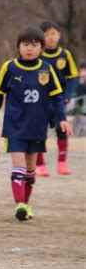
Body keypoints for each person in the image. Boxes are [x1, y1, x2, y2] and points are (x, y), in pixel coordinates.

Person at [0, 26, 72, 222]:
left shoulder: (46, 69)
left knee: (30, 167)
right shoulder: (9, 67)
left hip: (37, 126)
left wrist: (62, 119)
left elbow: (57, 96)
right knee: (18, 164)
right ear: (19, 47)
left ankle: (26, 203)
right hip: (14, 126)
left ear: (41, 49)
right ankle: (19, 204)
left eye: (34, 45)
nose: (29, 49)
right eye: (25, 44)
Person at [35, 21, 78, 176]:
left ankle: (62, 163)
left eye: (53, 34)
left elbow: (73, 77)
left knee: (62, 128)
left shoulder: (65, 55)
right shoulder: (37, 55)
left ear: (59, 35)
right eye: (46, 34)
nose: (50, 38)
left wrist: (66, 96)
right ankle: (39, 164)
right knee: (39, 131)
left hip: (58, 100)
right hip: (40, 101)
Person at [72, 62, 86, 136]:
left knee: (83, 118)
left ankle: (82, 134)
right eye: (82, 69)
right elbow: (74, 89)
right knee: (77, 118)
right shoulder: (76, 79)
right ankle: (76, 133)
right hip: (77, 101)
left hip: (84, 103)